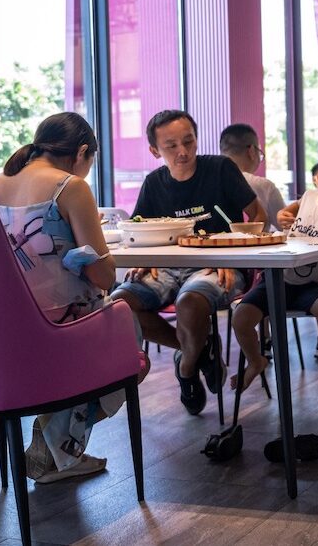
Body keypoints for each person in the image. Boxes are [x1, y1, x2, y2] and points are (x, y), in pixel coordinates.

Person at [0, 112, 142, 484]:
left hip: (0, 331)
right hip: (60, 328)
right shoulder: (70, 187)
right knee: (131, 339)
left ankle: (58, 449)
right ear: (82, 152)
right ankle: (58, 446)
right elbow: (104, 276)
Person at [110, 110, 267, 416]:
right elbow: (140, 230)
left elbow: (258, 216)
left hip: (220, 265)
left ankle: (186, 368)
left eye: (188, 141)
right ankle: (198, 350)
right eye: (171, 146)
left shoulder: (220, 169)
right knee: (120, 305)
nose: (183, 151)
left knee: (190, 302)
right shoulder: (154, 183)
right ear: (155, 150)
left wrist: (231, 251)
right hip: (167, 267)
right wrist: (144, 258)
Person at [231, 148, 318, 400]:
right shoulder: (308, 197)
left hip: (310, 286)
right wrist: (283, 216)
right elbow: (285, 213)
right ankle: (255, 361)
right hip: (278, 280)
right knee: (240, 318)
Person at [220, 123, 286, 232]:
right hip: (256, 243)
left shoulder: (210, 181)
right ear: (251, 151)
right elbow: (287, 227)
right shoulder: (264, 186)